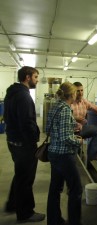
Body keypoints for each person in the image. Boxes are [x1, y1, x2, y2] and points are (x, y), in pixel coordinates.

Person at [3, 66, 45, 223]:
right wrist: (34, 140)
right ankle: (26, 213)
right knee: (26, 179)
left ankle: (12, 204)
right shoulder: (24, 97)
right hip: (24, 144)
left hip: (13, 141)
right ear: (27, 77)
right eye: (35, 77)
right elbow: (27, 123)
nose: (37, 80)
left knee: (20, 175)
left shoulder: (12, 93)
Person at [46, 82, 83, 225]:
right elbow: (65, 138)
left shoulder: (55, 106)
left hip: (53, 153)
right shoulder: (66, 109)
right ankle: (75, 222)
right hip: (64, 155)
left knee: (55, 189)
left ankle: (54, 221)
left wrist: (73, 125)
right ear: (72, 94)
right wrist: (79, 142)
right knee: (76, 189)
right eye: (76, 93)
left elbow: (50, 127)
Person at [71, 82, 97, 161]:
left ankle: (92, 155)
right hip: (70, 131)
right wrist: (75, 118)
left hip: (80, 129)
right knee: (73, 158)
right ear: (73, 92)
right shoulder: (69, 102)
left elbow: (94, 107)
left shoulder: (84, 101)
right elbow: (65, 115)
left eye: (82, 90)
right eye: (78, 91)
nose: (80, 93)